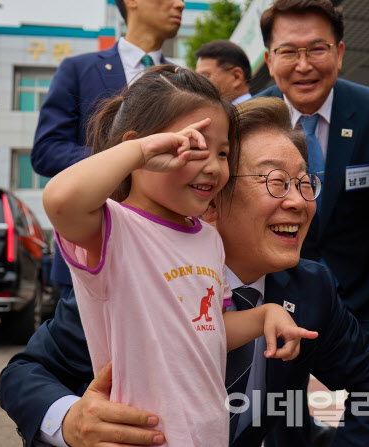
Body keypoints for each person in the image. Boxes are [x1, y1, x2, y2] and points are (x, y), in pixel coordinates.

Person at [0, 97, 369, 447]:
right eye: (276, 181)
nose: (299, 201)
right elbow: (24, 374)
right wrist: (70, 421)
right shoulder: (134, 277)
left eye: (305, 182)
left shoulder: (310, 289)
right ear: (210, 198)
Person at [42, 66, 316, 446]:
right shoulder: (112, 227)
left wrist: (264, 316)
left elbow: (208, 331)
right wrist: (138, 153)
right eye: (191, 146)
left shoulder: (208, 239)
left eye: (222, 153)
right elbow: (59, 200)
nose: (213, 166)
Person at [256, 1, 369, 444]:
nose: (303, 65)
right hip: (276, 302)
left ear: (340, 52)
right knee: (284, 418)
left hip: (366, 302)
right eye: (289, 51)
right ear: (269, 59)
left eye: (317, 49)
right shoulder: (249, 120)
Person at [30, 0, 184, 301]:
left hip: (167, 255)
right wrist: (127, 158)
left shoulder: (181, 78)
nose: (179, 4)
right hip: (93, 250)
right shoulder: (78, 70)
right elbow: (46, 151)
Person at [195, 40, 252, 104]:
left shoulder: (257, 109)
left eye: (205, 77)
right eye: (198, 79)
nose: (199, 85)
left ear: (236, 77)